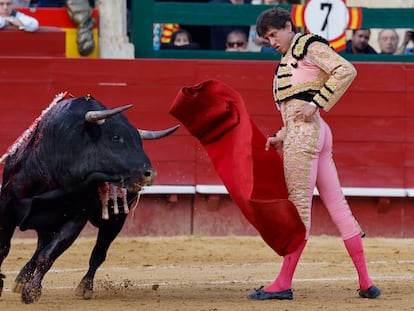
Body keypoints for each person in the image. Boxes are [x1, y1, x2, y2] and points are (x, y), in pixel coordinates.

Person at [247, 7, 381, 300]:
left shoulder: (307, 45)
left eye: (273, 34)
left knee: (299, 210)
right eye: (266, 38)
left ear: (287, 25)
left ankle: (283, 283)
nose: (271, 41)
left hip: (308, 134)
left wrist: (318, 102)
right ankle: (365, 282)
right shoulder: (287, 60)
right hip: (310, 133)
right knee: (338, 207)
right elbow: (294, 109)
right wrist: (281, 135)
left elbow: (345, 69)